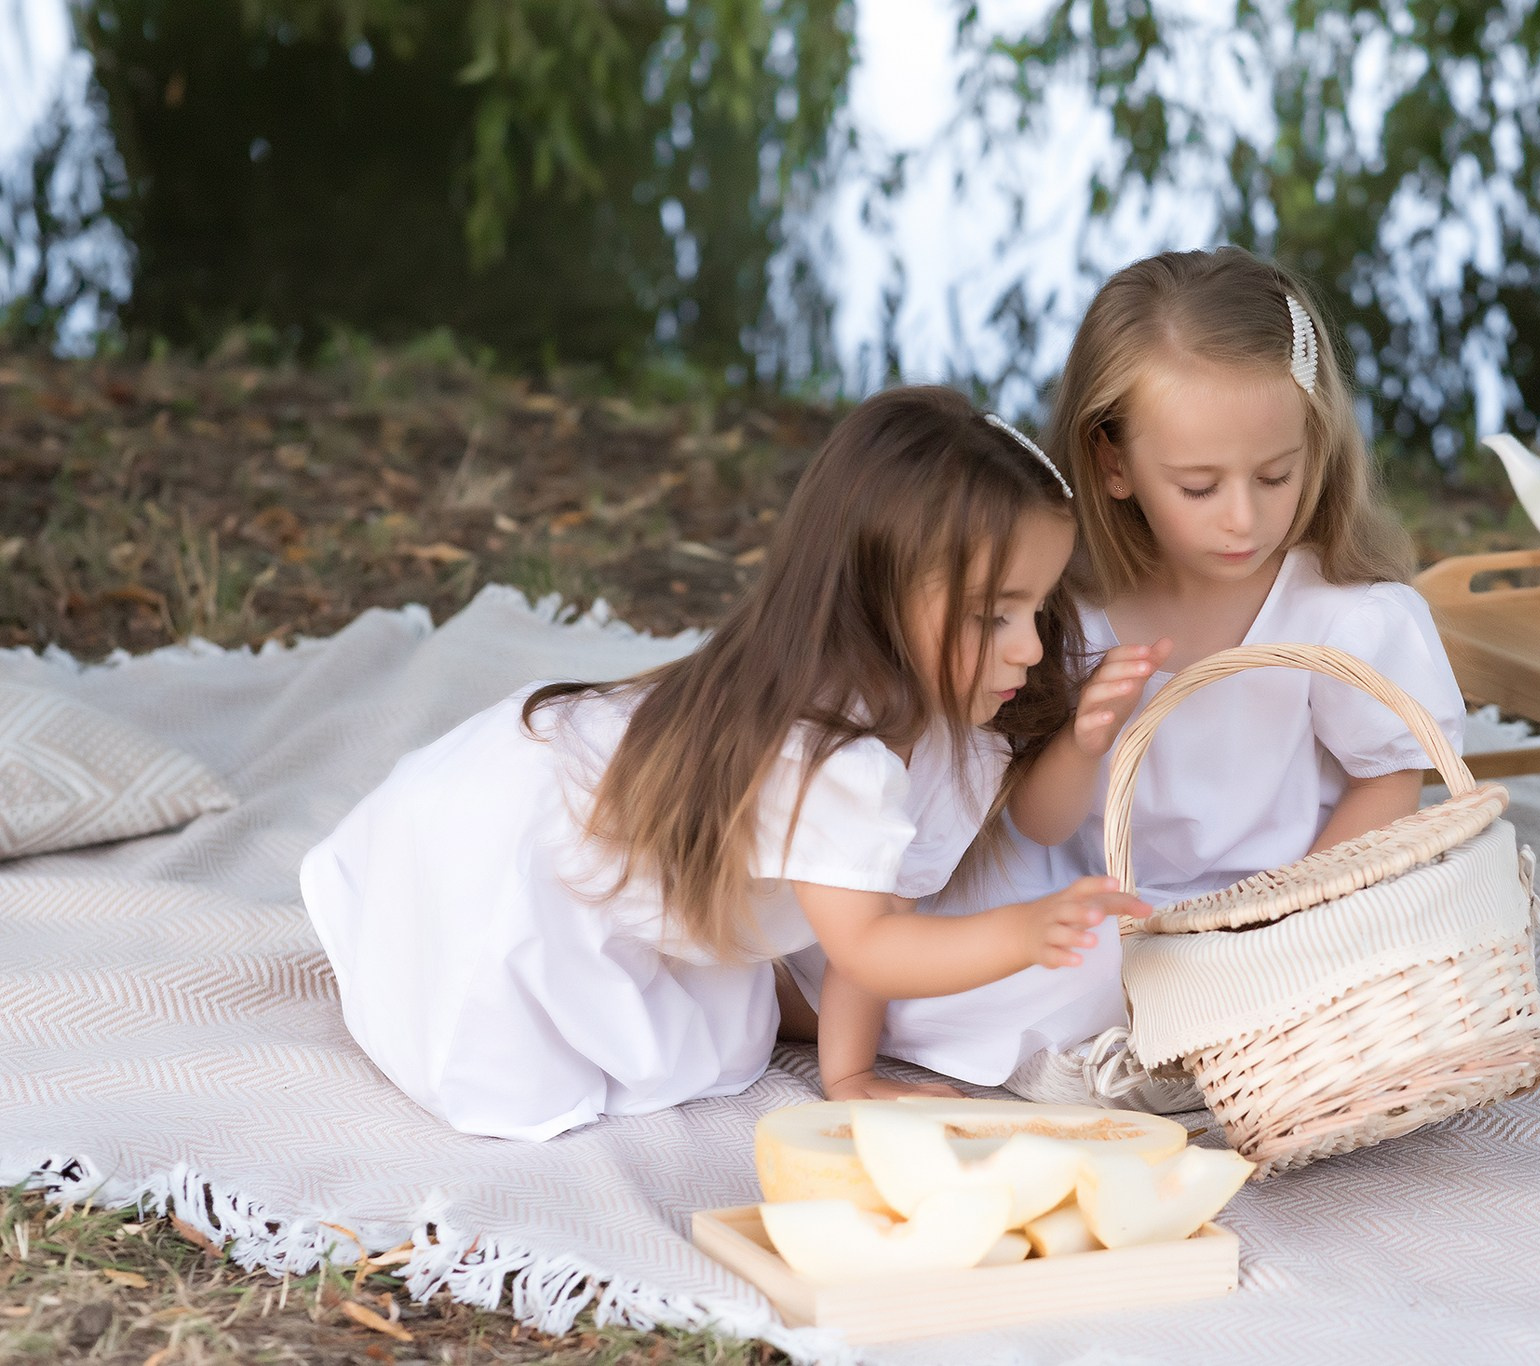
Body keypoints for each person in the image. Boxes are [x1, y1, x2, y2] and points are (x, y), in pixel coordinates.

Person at [300, 387, 1146, 1140]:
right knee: (514, 1057)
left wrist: (848, 1078)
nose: (1033, 648)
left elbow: (879, 911)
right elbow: (875, 946)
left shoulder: (927, 729)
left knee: (729, 1013)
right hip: (503, 848)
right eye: (992, 617)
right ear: (876, 599)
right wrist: (1020, 935)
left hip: (540, 796)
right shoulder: (832, 752)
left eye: (1036, 609)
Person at [812, 248, 1467, 1110]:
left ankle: (937, 1018)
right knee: (970, 934)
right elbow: (1041, 825)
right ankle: (842, 1006)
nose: (1245, 516)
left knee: (1347, 949)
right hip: (1094, 892)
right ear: (1113, 464)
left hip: (1283, 901)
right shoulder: (1064, 604)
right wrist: (1086, 735)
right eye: (1198, 486)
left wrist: (1292, 917)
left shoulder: (1344, 615)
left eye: (1277, 474)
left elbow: (1393, 776)